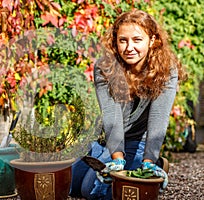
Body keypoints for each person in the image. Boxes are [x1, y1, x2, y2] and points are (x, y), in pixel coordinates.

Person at [69, 9, 186, 199]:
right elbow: (111, 116)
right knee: (72, 185)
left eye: (137, 40)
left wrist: (149, 161)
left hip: (137, 141)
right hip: (107, 139)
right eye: (123, 40)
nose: (129, 47)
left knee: (92, 191)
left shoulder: (166, 70)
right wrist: (117, 160)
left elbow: (158, 120)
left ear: (152, 40)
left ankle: (153, 163)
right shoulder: (105, 68)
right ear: (115, 41)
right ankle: (108, 158)